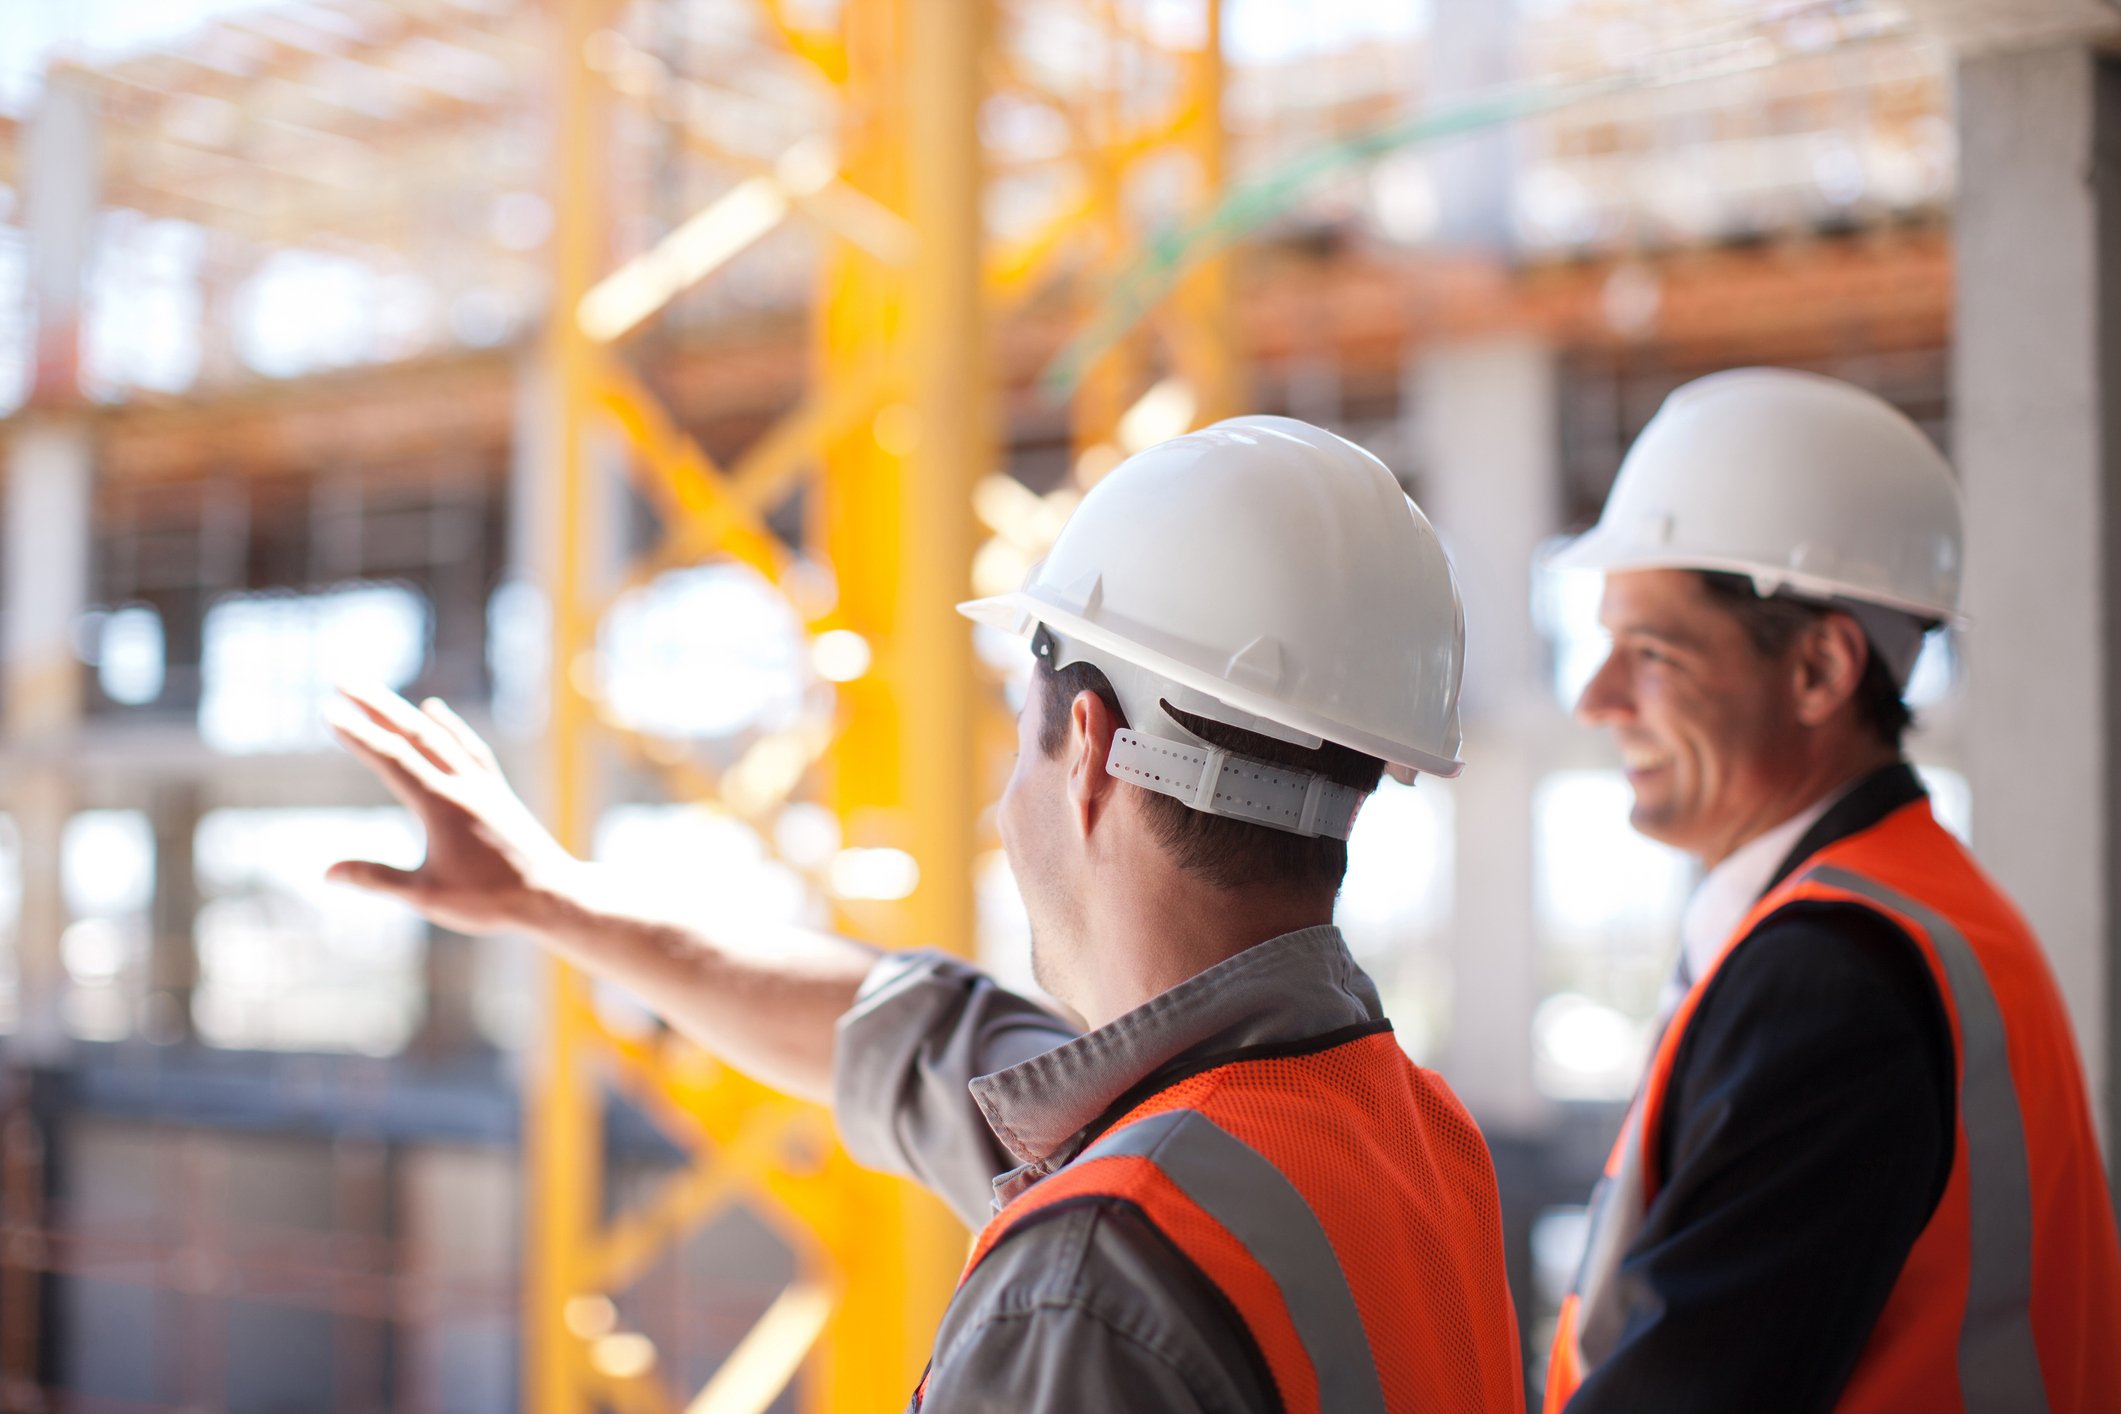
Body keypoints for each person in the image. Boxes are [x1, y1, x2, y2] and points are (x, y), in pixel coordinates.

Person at [326, 416, 1525, 1412]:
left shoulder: (1095, 1272)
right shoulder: (1403, 1133)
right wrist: (556, 898)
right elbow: (910, 1034)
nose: (1008, 802)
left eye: (1022, 734)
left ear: (1090, 749)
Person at [1541, 368, 2121, 1414]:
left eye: (1652, 651)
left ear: (1818, 669)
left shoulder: (1831, 979)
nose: (1595, 699)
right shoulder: (1921, 912)